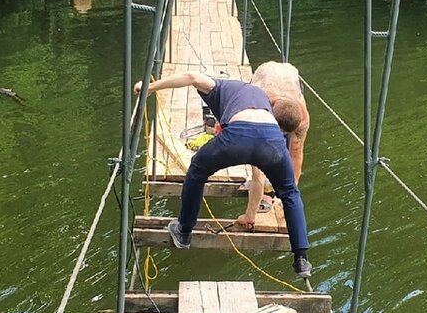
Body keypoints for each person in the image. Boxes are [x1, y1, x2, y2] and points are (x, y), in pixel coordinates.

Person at [134, 71, 312, 278]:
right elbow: (258, 177)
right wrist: (250, 215)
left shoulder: (222, 87)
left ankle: (183, 231)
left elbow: (191, 77)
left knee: (197, 171)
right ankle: (302, 259)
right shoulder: (265, 105)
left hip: (237, 136)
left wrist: (149, 88)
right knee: (290, 193)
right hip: (271, 141)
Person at [236, 61, 310, 231]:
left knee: (294, 147)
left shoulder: (303, 120)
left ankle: (280, 190)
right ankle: (265, 190)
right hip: (264, 75)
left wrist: (289, 193)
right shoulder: (257, 108)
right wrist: (251, 214)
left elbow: (296, 155)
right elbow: (257, 170)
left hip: (290, 76)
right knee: (260, 157)